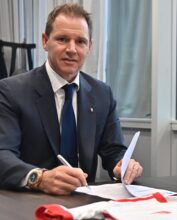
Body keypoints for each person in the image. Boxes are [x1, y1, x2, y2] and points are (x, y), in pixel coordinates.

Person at [0, 3, 143, 195]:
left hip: (85, 202)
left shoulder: (102, 94)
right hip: (30, 200)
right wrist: (40, 178)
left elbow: (113, 150)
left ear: (89, 46)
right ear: (45, 41)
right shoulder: (11, 91)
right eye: (62, 39)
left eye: (81, 42)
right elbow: (3, 154)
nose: (72, 49)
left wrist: (122, 165)